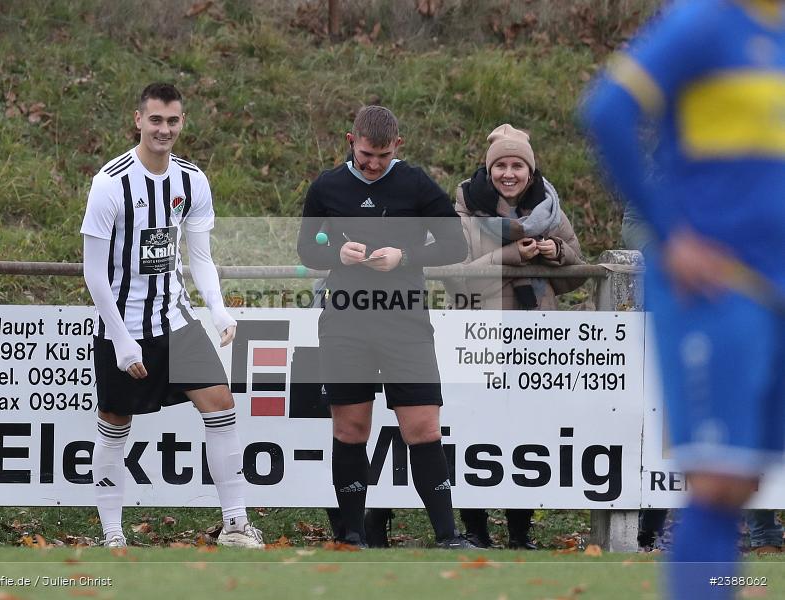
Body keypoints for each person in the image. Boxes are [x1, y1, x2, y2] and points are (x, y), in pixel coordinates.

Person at [582, 1, 785, 597]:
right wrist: (670, 233)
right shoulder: (705, 21)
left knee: (742, 482)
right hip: (715, 285)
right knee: (718, 479)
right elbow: (607, 111)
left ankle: (716, 586)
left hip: (775, 293)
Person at [81, 82, 263, 548]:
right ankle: (113, 535)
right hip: (124, 328)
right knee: (115, 424)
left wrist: (218, 311)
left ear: (183, 122)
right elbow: (94, 274)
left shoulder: (191, 180)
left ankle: (236, 525)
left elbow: (200, 257)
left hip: (176, 322)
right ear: (138, 119)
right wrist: (121, 340)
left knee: (221, 405)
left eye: (173, 121)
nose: (165, 129)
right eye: (156, 120)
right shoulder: (110, 183)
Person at [297, 105, 472, 548]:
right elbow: (306, 249)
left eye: (382, 155)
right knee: (351, 429)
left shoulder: (414, 183)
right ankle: (352, 536)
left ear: (399, 145)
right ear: (350, 139)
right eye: (366, 154)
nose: (373, 164)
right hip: (345, 323)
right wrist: (337, 256)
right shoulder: (327, 186)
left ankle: (448, 536)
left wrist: (405, 257)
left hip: (405, 320)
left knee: (423, 428)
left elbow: (456, 244)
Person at [445, 124, 586, 549]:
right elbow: (456, 280)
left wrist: (555, 255)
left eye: (518, 165)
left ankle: (521, 533)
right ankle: (476, 530)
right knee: (474, 434)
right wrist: (512, 257)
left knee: (527, 435)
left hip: (534, 343)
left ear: (531, 169)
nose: (509, 173)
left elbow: (577, 271)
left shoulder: (549, 211)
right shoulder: (463, 212)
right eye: (501, 165)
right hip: (477, 339)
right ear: (489, 171)